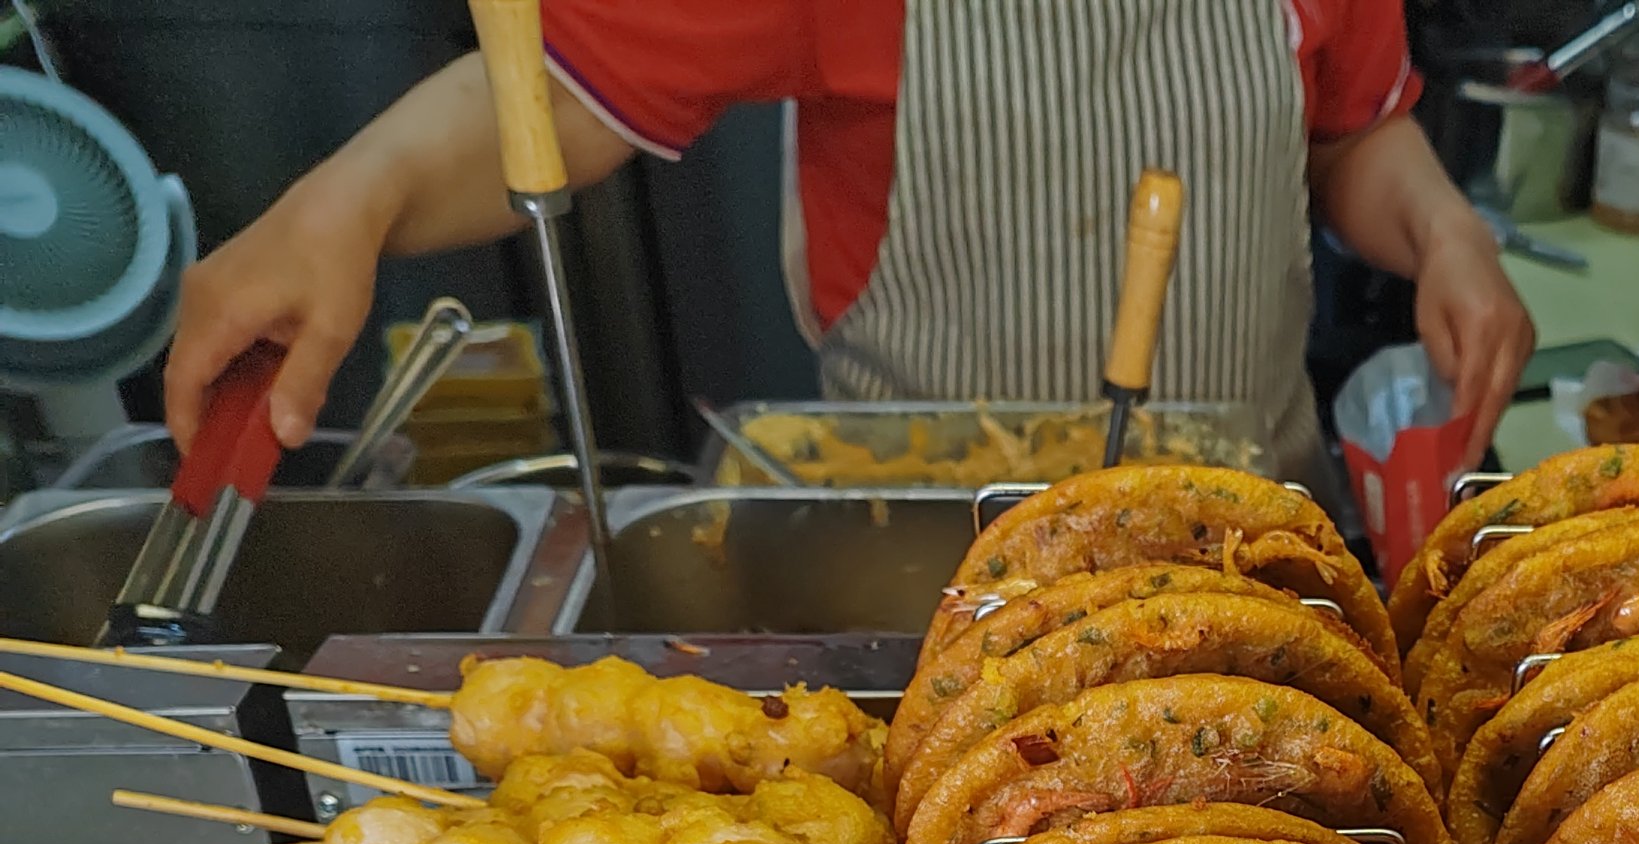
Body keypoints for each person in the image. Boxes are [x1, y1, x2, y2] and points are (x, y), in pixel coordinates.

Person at [163, 0, 1535, 484]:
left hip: (1247, 517)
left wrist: (1445, 232)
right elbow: (559, 104)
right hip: (916, 532)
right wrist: (359, 192)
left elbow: (1351, 133)